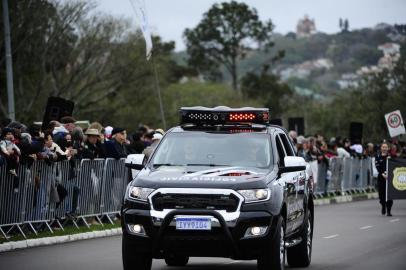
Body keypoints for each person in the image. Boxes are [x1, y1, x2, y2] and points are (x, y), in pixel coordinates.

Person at [375, 142, 393, 216]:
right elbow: (377, 166)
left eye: (386, 147)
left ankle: (389, 211)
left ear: (388, 148)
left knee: (389, 195)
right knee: (381, 195)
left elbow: (394, 166)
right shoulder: (378, 156)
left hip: (389, 178)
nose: (384, 148)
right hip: (381, 178)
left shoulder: (390, 156)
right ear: (381, 148)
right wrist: (382, 174)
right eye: (383, 147)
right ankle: (383, 205)